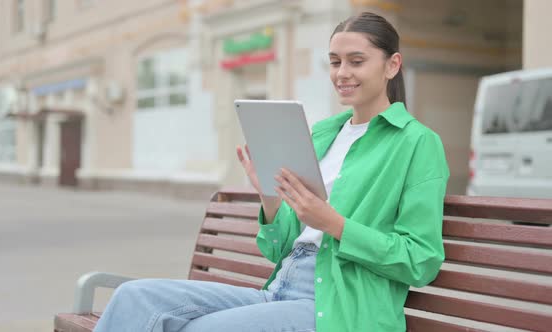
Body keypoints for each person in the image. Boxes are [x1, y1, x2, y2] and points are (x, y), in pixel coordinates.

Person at [94, 11, 449, 332]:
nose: (342, 73)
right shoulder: (324, 134)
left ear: (392, 65)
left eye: (356, 61)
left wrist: (334, 224)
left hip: (340, 307)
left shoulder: (416, 143)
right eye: (335, 61)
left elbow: (421, 261)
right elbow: (279, 249)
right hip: (281, 287)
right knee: (133, 298)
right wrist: (270, 197)